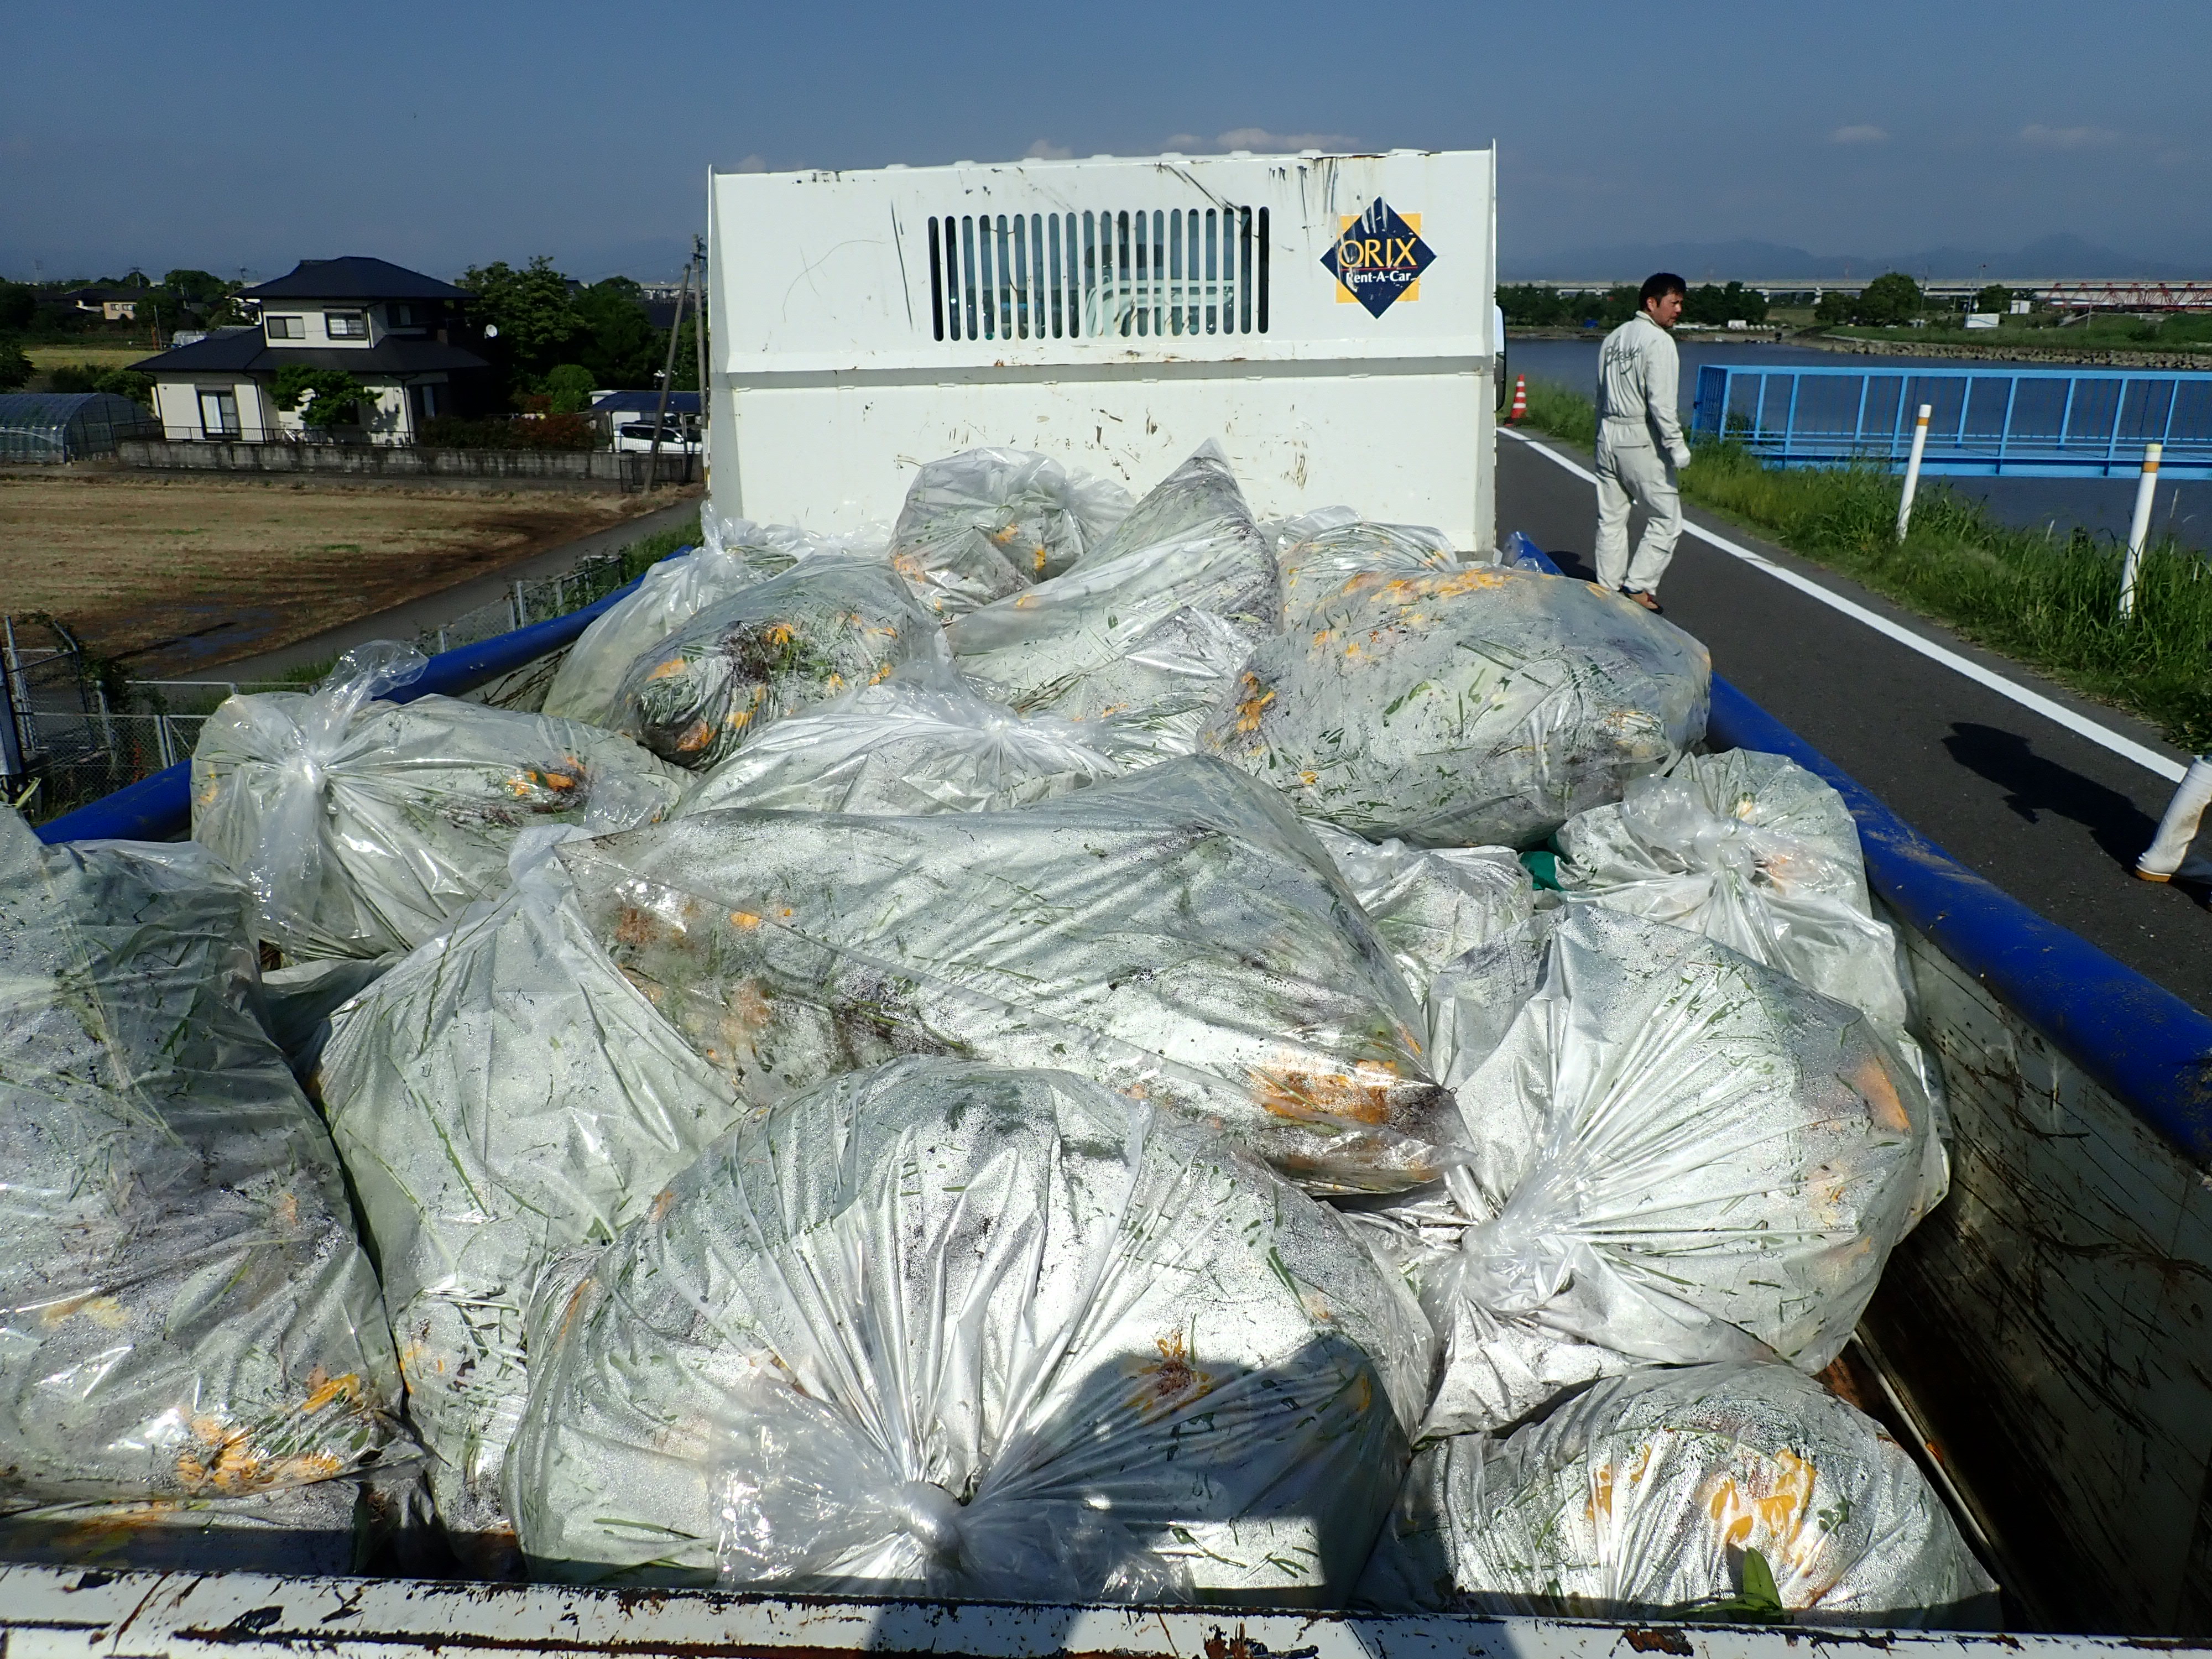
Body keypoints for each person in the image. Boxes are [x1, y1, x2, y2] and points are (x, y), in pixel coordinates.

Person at [1595, 273, 1691, 613]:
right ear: (1652, 303)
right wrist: (1677, 447)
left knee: (1612, 517)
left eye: (1681, 302)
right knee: (1667, 517)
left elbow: (1601, 393)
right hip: (1639, 436)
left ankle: (1607, 587)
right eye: (1673, 302)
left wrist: (1599, 437)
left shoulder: (1613, 339)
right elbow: (1661, 403)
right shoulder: (1658, 341)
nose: (1678, 309)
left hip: (1608, 432)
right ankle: (1638, 585)